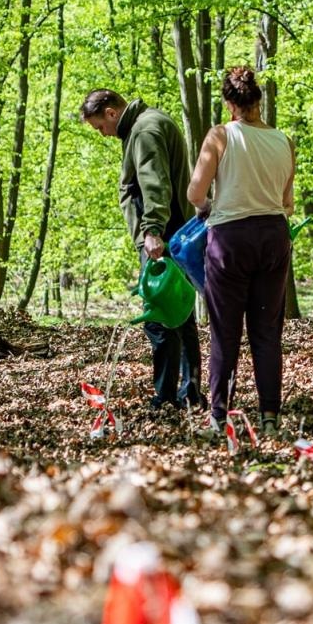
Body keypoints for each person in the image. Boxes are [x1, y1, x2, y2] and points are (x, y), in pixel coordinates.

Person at [187, 67, 295, 440]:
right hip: (274, 237)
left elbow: (195, 194)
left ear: (229, 104)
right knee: (266, 332)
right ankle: (269, 416)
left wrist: (211, 205)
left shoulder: (220, 136)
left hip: (230, 240)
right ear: (259, 100)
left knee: (225, 331)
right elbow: (287, 202)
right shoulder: (284, 140)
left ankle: (220, 417)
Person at [81, 89, 204, 411]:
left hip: (162, 238)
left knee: (160, 319)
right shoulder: (150, 122)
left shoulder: (144, 130)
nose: (103, 134)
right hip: (172, 234)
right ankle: (188, 392)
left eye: (100, 127)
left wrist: (151, 230)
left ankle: (167, 396)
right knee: (180, 316)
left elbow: (155, 184)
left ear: (110, 112)